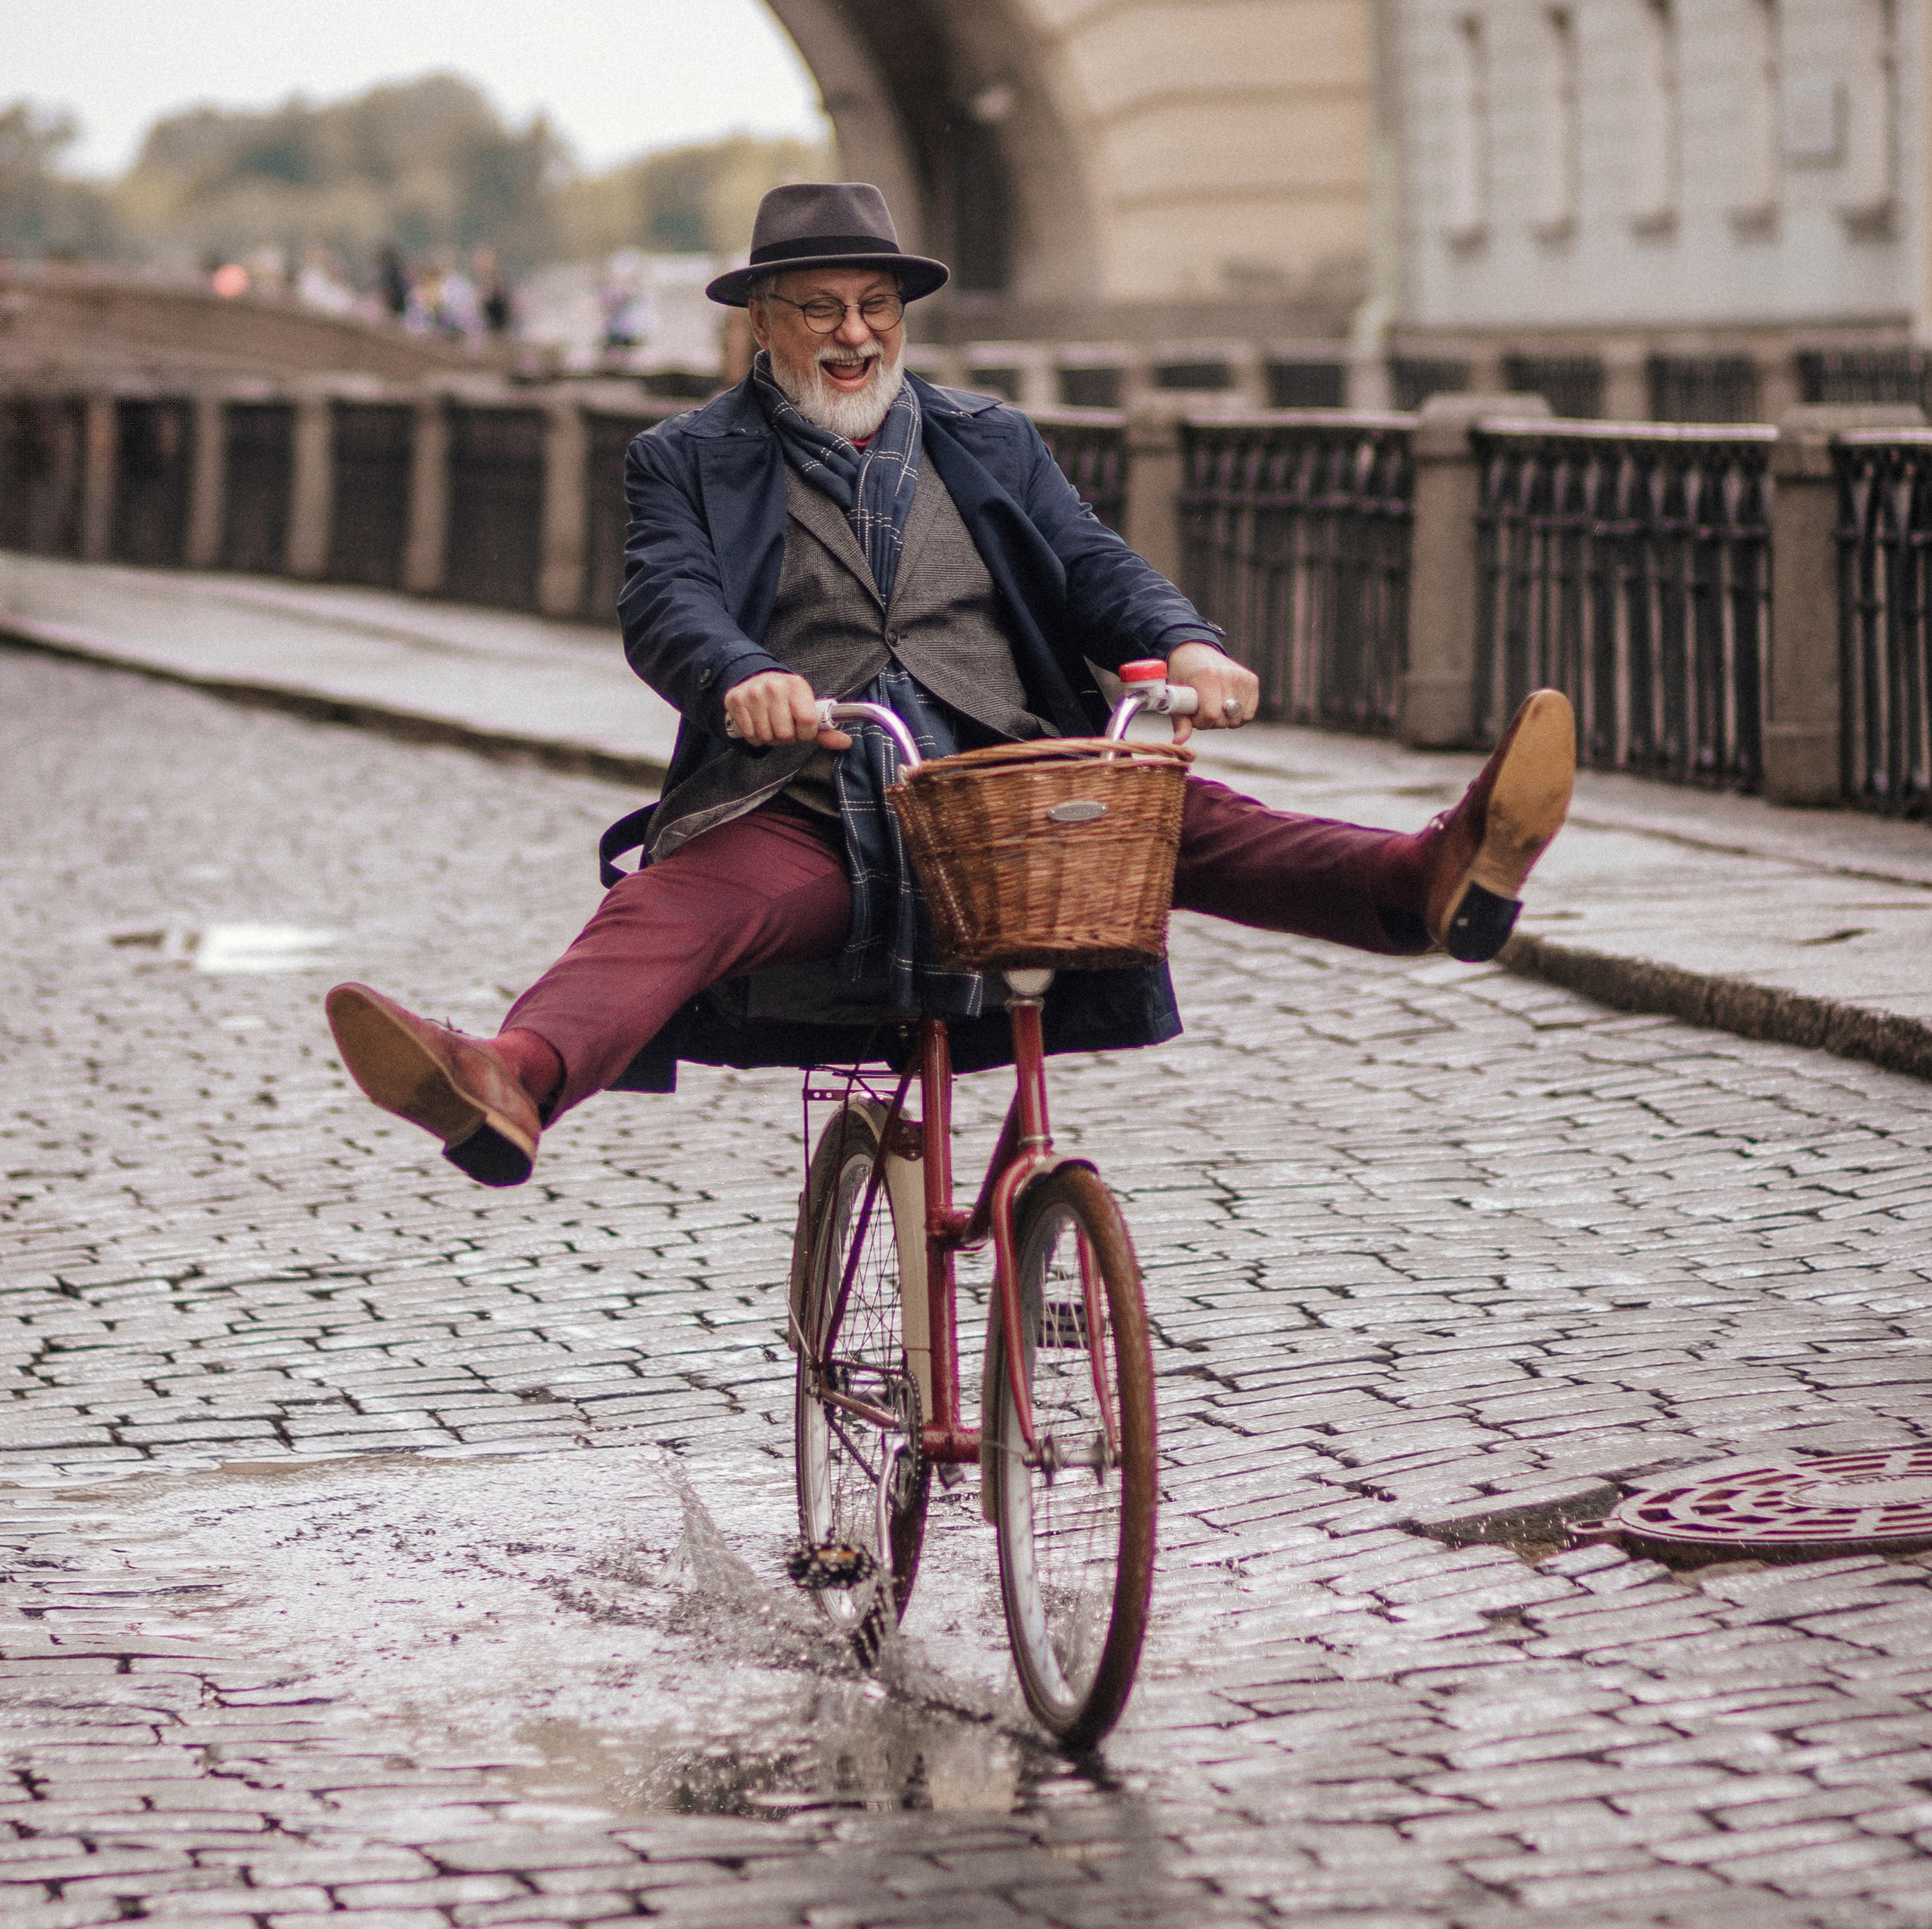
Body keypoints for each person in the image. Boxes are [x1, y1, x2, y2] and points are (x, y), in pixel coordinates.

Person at [325, 183, 1575, 1188]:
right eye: (820, 308)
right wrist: (742, 675)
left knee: (1194, 819)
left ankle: (1430, 880)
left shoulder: (988, 436)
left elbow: (1092, 566)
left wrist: (1184, 644)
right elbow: (668, 601)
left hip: (1008, 781)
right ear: (762, 319)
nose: (854, 333)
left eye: (876, 306)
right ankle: (508, 1080)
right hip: (811, 797)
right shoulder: (688, 458)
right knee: (669, 913)